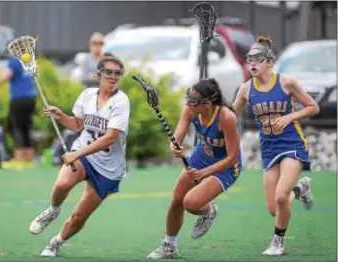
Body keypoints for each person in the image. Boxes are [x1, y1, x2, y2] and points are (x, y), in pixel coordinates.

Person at [29, 55, 130, 257]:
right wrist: (61, 116)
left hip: (108, 168)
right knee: (61, 185)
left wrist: (77, 153)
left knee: (79, 216)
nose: (113, 76)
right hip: (84, 155)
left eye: (117, 73)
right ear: (97, 75)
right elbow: (78, 125)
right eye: (108, 72)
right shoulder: (87, 95)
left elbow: (110, 138)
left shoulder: (121, 101)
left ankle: (56, 242)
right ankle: (52, 210)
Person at [233, 36, 318, 256]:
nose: (252, 63)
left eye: (258, 59)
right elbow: (232, 115)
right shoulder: (245, 89)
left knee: (281, 197)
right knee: (274, 208)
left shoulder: (286, 82)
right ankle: (301, 189)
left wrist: (290, 117)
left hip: (292, 143)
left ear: (269, 62)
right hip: (269, 148)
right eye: (249, 59)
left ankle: (278, 242)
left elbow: (312, 107)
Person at [147, 78, 242, 259]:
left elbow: (232, 157)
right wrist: (174, 147)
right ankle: (169, 246)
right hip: (201, 157)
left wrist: (204, 173)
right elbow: (177, 138)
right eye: (188, 100)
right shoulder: (190, 111)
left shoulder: (226, 118)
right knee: (177, 200)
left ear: (207, 104)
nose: (188, 105)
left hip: (226, 167)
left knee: (190, 203)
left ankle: (209, 211)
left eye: (193, 102)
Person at [0, 52, 37, 169]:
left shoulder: (14, 60)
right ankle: (28, 159)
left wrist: (1, 72)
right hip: (31, 97)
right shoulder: (28, 60)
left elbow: (4, 77)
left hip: (19, 98)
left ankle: (19, 159)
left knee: (15, 126)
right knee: (26, 126)